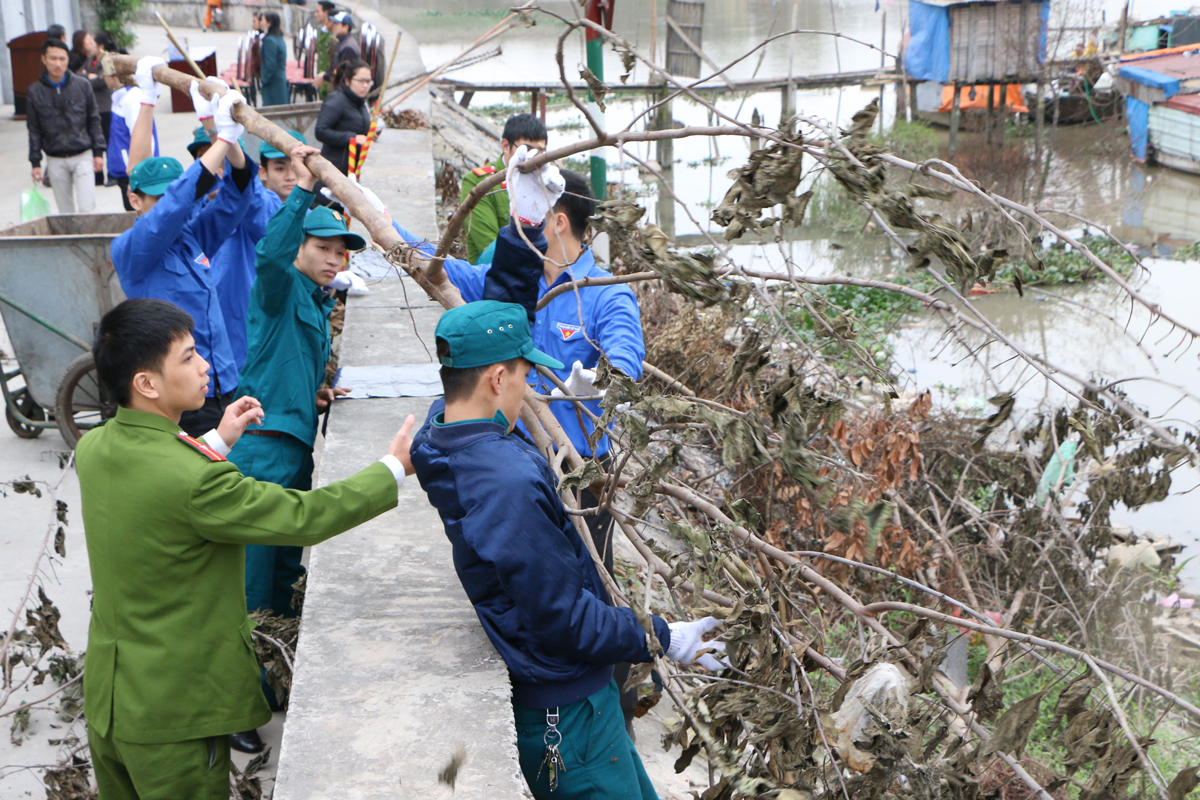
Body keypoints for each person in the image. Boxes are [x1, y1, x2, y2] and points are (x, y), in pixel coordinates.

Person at [78, 296, 415, 800]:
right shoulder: (196, 482)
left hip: (111, 704)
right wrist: (392, 467)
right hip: (175, 716)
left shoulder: (96, 447)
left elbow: (157, 490)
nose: (204, 366)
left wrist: (217, 439)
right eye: (188, 357)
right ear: (147, 383)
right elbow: (305, 517)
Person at [409, 291, 726, 799]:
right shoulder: (506, 484)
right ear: (496, 379)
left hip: (572, 703)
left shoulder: (437, 436)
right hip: (567, 718)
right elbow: (565, 620)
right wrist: (666, 637)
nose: (530, 387)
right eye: (523, 376)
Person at [111, 58, 257, 438]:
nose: (165, 204)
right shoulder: (132, 249)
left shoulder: (192, 236)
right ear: (134, 199)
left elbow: (237, 197)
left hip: (222, 382)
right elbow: (175, 206)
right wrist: (221, 139)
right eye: (154, 198)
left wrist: (229, 137)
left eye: (169, 193)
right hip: (178, 401)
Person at [26, 39, 105, 214]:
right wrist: (36, 162)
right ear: (44, 59)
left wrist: (98, 152)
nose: (58, 63)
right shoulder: (34, 92)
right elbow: (34, 129)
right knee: (65, 213)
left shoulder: (82, 85)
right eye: (53, 58)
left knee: (87, 209)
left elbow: (94, 119)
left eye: (62, 59)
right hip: (55, 159)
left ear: (68, 60)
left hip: (82, 154)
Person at [459, 113, 547, 265]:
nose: (533, 158)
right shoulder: (479, 183)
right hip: (491, 272)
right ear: (506, 146)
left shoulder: (548, 183)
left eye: (539, 152)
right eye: (527, 150)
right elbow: (489, 248)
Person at [103, 75, 160, 212]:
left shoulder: (132, 98)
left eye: (104, 72)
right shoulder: (119, 97)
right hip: (125, 171)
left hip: (134, 173)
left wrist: (138, 174)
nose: (102, 76)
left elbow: (145, 138)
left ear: (115, 75)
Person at [314, 59, 371, 175]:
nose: (365, 85)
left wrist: (370, 133)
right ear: (348, 81)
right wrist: (352, 138)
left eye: (368, 81)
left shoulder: (360, 102)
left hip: (354, 168)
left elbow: (357, 127)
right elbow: (320, 131)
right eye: (361, 81)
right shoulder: (336, 101)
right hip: (335, 169)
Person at [72, 31, 111, 186]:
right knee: (95, 142)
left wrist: (87, 76)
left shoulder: (107, 60)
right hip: (92, 107)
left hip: (104, 107)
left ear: (101, 46)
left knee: (108, 141)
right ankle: (98, 176)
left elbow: (103, 82)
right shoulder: (90, 60)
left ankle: (113, 174)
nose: (90, 47)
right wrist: (90, 77)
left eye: (92, 44)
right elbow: (77, 75)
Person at [312, 11, 359, 90]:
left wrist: (325, 76)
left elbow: (341, 73)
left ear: (346, 27)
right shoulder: (342, 42)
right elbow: (335, 67)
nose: (334, 26)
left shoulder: (348, 47)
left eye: (337, 24)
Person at [259, 12, 289, 106]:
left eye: (262, 20)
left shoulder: (270, 41)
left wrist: (264, 80)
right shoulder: (279, 38)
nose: (260, 22)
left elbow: (270, 65)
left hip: (273, 84)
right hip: (280, 81)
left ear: (269, 23)